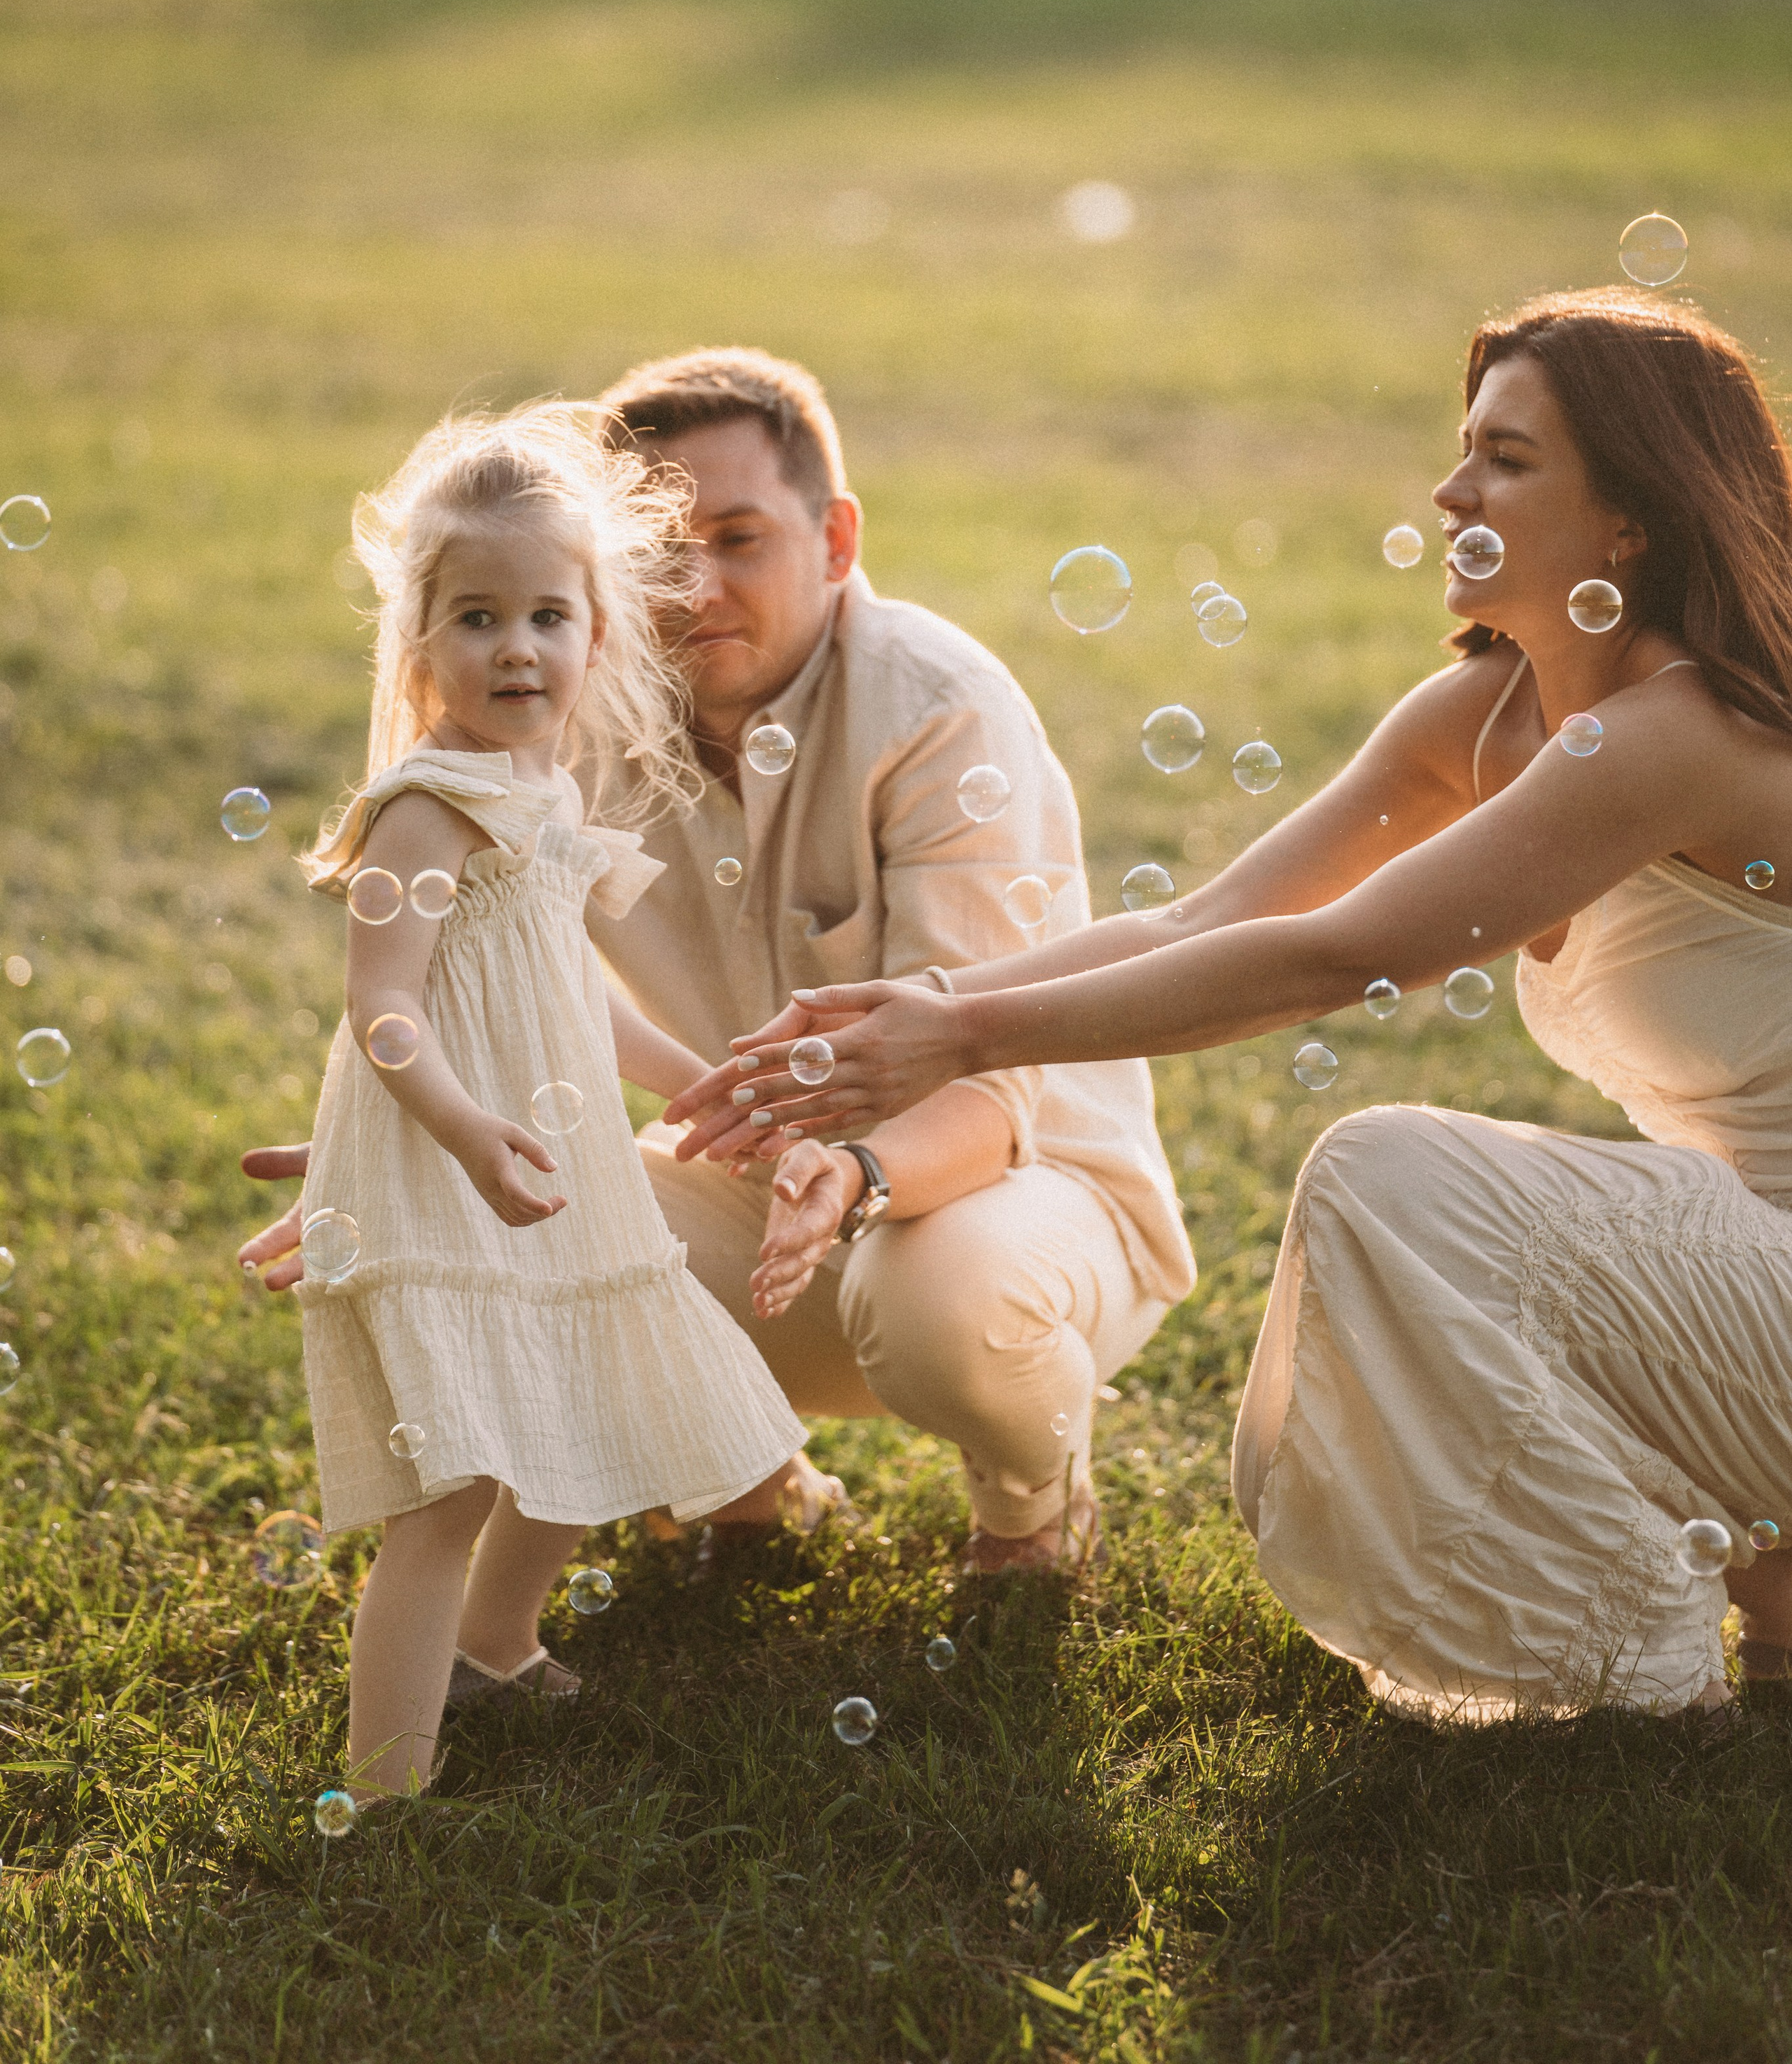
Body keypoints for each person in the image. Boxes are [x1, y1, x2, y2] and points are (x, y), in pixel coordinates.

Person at [672, 289, 1792, 1718]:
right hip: (1749, 1254)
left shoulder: (1676, 735)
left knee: (1399, 1182)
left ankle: (1632, 1663)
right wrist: (925, 997)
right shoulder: (1481, 717)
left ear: (1628, 518)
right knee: (1523, 1212)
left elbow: (1331, 957)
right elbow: (1206, 918)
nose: (1449, 491)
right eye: (1462, 448)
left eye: (1506, 460)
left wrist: (959, 1040)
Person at [242, 348, 1193, 1575]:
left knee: (939, 1302)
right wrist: (405, 1150)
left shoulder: (939, 709)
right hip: (762, 1170)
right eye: (656, 555)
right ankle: (745, 1483)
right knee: (518, 1231)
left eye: (739, 539)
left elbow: (991, 1101)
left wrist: (849, 1172)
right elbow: (509, 985)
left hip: (1016, 1189)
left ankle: (1029, 1516)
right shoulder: (564, 722)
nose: (694, 587)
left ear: (836, 539)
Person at [292, 401, 803, 1799]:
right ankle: (384, 1789)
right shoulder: (427, 809)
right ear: (418, 641)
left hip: (549, 1165)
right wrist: (463, 1129)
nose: (515, 648)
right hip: (454, 1168)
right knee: (450, 1492)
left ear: (598, 633)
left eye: (545, 617)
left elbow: (572, 995)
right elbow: (383, 1006)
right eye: (476, 618)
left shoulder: (547, 799)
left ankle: (497, 1641)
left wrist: (698, 1078)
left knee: (593, 1401)